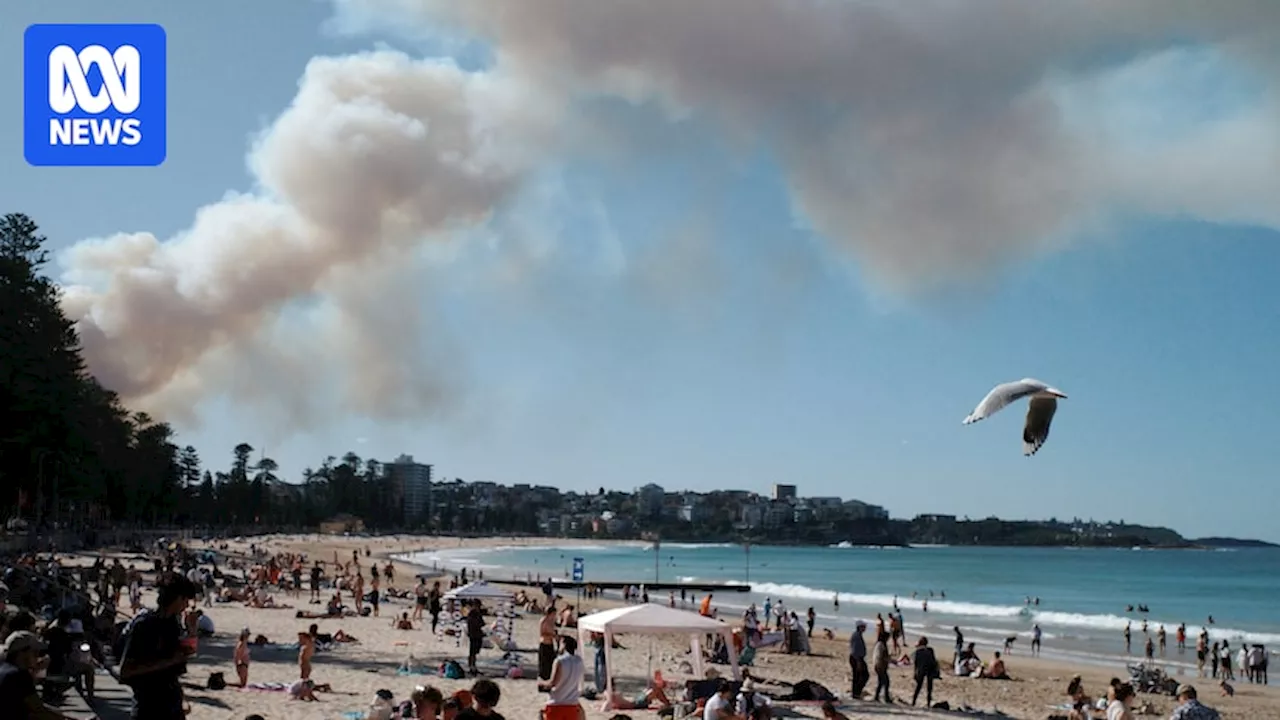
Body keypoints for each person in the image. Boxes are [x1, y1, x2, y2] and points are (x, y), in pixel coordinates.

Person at [120, 575, 199, 719]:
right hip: (149, 707)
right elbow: (126, 671)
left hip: (171, 704)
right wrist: (169, 661)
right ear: (177, 598)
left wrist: (192, 632)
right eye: (185, 600)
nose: (186, 605)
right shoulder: (144, 625)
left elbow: (178, 662)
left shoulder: (171, 624)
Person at [0, 631, 80, 720]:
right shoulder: (18, 675)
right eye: (36, 652)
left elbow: (32, 704)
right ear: (23, 653)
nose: (38, 657)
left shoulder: (4, 669)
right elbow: (39, 710)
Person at [538, 635, 584, 718]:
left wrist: (542, 684)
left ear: (564, 645)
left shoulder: (559, 661)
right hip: (572, 704)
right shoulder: (579, 661)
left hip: (557, 703)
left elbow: (553, 683)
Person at [911, 636, 939, 707]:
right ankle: (928, 702)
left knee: (919, 686)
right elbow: (934, 660)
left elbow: (916, 663)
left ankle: (914, 701)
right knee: (929, 687)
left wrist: (915, 673)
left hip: (921, 669)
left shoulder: (917, 651)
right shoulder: (930, 650)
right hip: (930, 669)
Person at [848, 621, 868, 698]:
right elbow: (855, 650)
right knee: (863, 676)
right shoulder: (856, 636)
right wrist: (858, 661)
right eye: (863, 627)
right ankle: (856, 692)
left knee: (858, 676)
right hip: (857, 658)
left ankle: (856, 692)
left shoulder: (858, 635)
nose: (865, 628)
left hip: (857, 658)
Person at [538, 606, 558, 681]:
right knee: (544, 663)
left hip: (550, 643)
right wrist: (552, 635)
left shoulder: (552, 621)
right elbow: (542, 634)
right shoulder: (544, 621)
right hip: (544, 643)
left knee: (551, 662)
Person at [872, 631, 892, 702]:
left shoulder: (879, 644)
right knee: (886, 682)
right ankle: (886, 698)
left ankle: (877, 696)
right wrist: (889, 659)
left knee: (881, 682)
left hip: (878, 665)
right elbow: (882, 656)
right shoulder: (882, 645)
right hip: (880, 666)